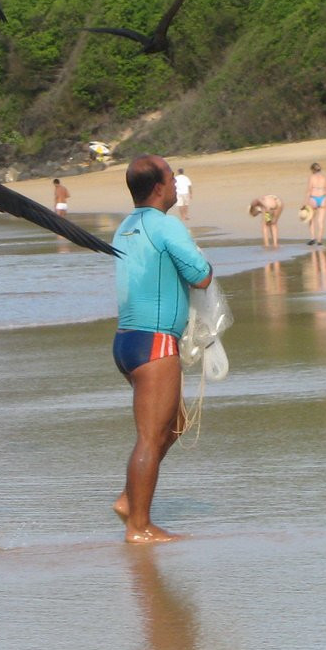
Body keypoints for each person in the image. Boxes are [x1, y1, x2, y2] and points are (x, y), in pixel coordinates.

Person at [111, 155, 213, 544]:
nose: (175, 184)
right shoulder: (165, 226)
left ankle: (128, 500)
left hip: (127, 341)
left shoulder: (126, 227)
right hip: (155, 342)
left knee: (174, 425)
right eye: (171, 177)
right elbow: (201, 277)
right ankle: (139, 527)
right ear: (157, 187)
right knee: (151, 437)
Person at [304, 163, 326, 245]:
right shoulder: (324, 178)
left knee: (311, 218)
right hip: (323, 198)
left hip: (313, 198)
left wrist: (305, 202)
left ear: (312, 170)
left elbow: (309, 190)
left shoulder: (312, 177)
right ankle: (319, 240)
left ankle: (312, 238)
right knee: (321, 221)